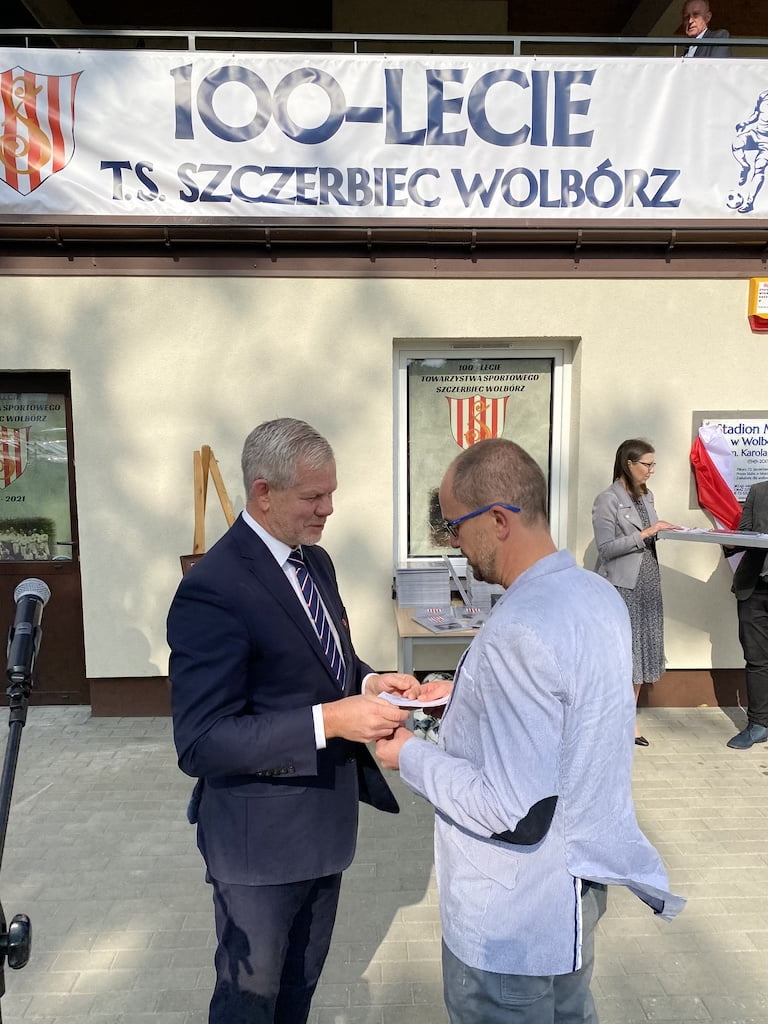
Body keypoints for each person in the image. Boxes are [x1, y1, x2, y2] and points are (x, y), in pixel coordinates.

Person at [376, 438, 684, 1024]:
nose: (453, 543)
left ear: (497, 520)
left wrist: (408, 754)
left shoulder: (519, 626)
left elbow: (505, 807)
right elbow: (566, 717)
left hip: (509, 924)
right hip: (574, 897)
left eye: (455, 526)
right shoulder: (595, 595)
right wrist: (462, 697)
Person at [167, 417, 418, 1024]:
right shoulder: (213, 589)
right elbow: (202, 742)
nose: (328, 509)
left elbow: (326, 663)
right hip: (258, 849)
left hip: (323, 832)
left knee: (297, 997)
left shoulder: (315, 562)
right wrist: (330, 720)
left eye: (331, 493)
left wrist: (369, 682)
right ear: (263, 492)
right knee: (249, 1006)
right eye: (313, 496)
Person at [592, 439, 677, 746]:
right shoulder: (607, 499)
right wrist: (646, 533)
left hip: (648, 582)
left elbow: (650, 535)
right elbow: (606, 548)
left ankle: (629, 720)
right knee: (625, 653)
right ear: (629, 464)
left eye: (654, 464)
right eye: (647, 464)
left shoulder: (647, 496)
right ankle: (614, 720)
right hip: (623, 586)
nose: (652, 470)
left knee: (642, 652)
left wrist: (666, 532)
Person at [724, 480, 768, 749]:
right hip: (755, 590)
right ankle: (758, 725)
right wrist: (730, 543)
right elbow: (745, 534)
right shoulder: (758, 491)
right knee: (756, 659)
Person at [731, 90, 768, 215]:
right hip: (756, 133)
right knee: (737, 144)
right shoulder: (764, 95)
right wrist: (745, 123)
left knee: (760, 167)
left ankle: (749, 202)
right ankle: (745, 166)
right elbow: (756, 113)